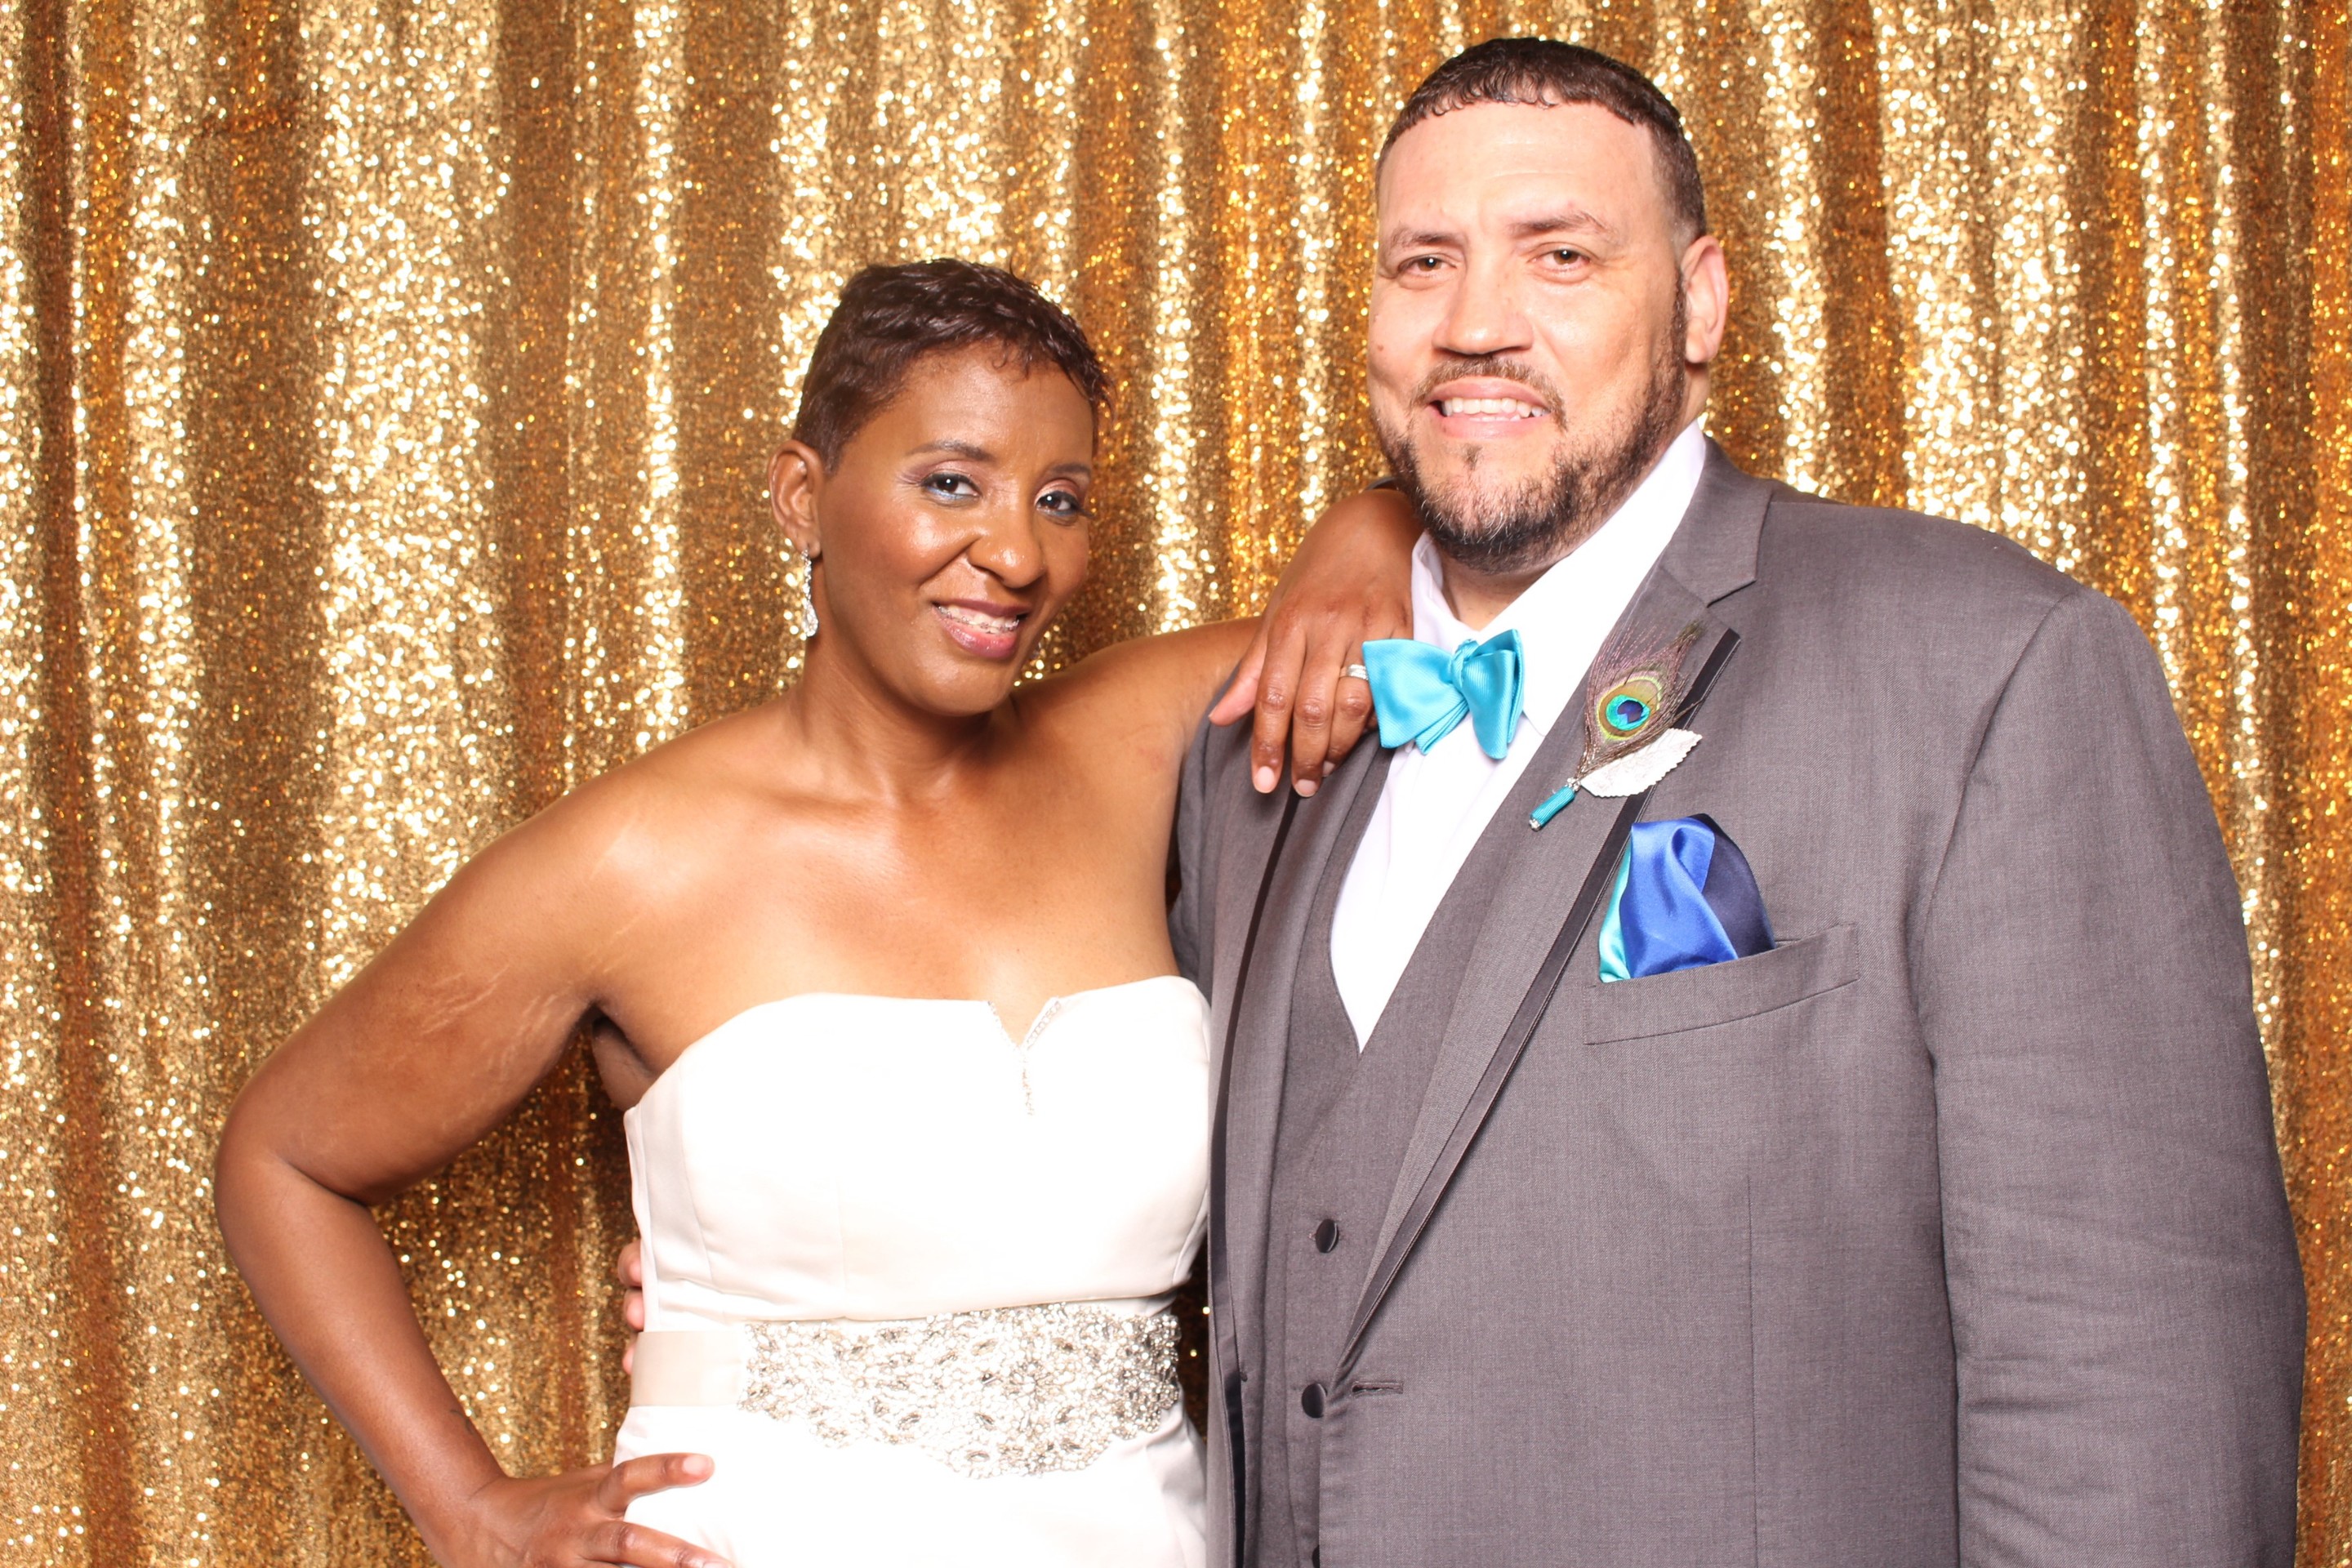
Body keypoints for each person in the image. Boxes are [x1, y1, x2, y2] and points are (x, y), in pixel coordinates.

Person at [1168, 38, 2305, 1568]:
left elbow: (2137, 1389)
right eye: (1423, 262)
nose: (1476, 323)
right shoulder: (1251, 756)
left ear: (1700, 303)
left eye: (1561, 256)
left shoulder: (1984, 666)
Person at [214, 259, 1421, 1568]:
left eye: (1059, 500)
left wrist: (1372, 524)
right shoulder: (629, 862)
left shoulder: (1141, 740)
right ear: (803, 495)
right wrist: (469, 1512)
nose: (1017, 555)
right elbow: (284, 1160)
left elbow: (1480, 578)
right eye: (950, 483)